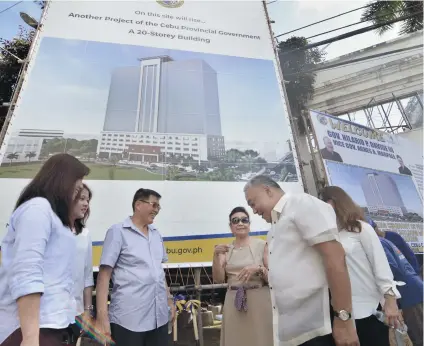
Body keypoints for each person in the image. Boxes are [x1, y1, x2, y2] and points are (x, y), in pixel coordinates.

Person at [244, 175, 358, 346]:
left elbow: (335, 258)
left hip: (317, 328)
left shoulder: (301, 204)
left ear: (267, 190)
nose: (254, 211)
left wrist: (344, 319)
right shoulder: (275, 228)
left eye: (253, 203)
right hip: (295, 332)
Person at [0, 153, 90, 346]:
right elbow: (27, 272)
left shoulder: (54, 217)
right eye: (78, 182)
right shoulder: (37, 209)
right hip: (29, 330)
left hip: (51, 325)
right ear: (63, 180)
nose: (79, 187)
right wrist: (31, 337)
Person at [321, 186, 401, 346]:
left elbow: (381, 266)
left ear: (333, 203)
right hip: (341, 314)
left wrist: (391, 302)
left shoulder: (361, 228)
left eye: (322, 203)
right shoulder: (328, 235)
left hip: (368, 310)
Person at [95, 188, 175, 346]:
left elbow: (158, 272)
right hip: (129, 320)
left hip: (158, 317)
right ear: (138, 205)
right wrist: (102, 316)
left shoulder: (156, 234)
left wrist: (170, 301)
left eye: (158, 207)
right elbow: (104, 276)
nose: (157, 210)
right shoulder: (118, 232)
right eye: (154, 205)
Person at [212, 207, 273, 346]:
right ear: (231, 226)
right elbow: (219, 279)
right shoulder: (225, 249)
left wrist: (258, 269)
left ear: (249, 224)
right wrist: (215, 256)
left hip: (259, 299)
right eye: (235, 220)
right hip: (234, 300)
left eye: (244, 220)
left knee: (262, 339)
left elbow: (273, 277)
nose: (240, 223)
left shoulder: (262, 245)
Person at [379, 237, 423, 346]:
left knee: (419, 334)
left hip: (408, 293)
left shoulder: (378, 242)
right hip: (413, 287)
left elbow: (390, 268)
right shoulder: (385, 240)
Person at [70, 184, 94, 341]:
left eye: (88, 200)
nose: (86, 203)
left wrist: (87, 311)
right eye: (81, 199)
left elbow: (87, 275)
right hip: (48, 314)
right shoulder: (52, 229)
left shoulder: (84, 234)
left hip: (75, 311)